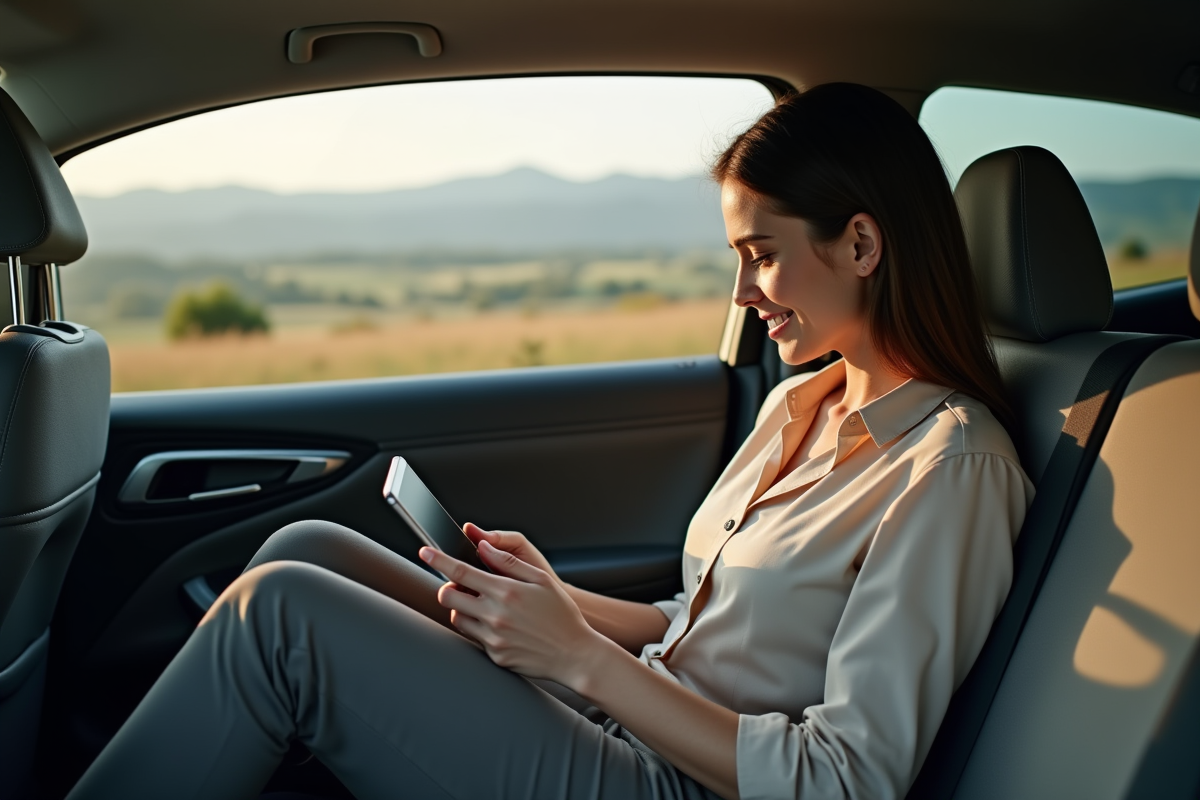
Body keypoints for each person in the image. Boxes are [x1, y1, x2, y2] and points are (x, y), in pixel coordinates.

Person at [66, 83, 1033, 800]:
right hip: (626, 711)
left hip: (680, 783)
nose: (743, 294)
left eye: (762, 256)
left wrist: (578, 660)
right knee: (306, 549)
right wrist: (556, 606)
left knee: (284, 612)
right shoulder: (800, 406)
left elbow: (848, 779)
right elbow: (702, 620)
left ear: (861, 247)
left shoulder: (953, 469)